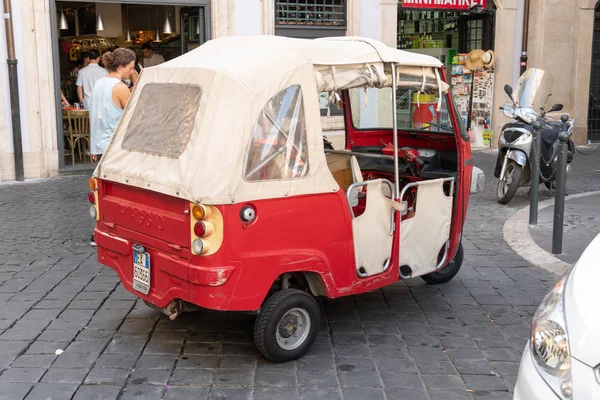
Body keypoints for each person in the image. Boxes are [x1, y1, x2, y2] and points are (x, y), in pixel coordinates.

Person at [88, 48, 136, 246]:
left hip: (100, 143)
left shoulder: (100, 83)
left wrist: (92, 147)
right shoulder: (119, 87)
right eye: (131, 67)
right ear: (121, 67)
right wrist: (136, 80)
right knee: (122, 192)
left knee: (102, 190)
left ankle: (98, 231)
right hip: (114, 145)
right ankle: (120, 230)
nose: (132, 70)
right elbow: (134, 108)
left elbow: (97, 115)